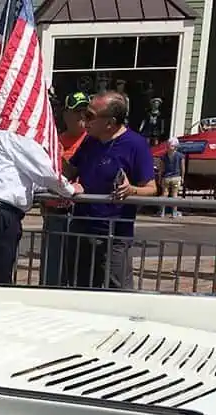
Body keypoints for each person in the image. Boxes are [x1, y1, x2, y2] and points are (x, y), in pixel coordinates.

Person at [62, 91, 158, 290]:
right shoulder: (90, 142)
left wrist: (131, 190)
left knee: (117, 289)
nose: (83, 120)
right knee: (80, 288)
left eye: (89, 116)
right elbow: (70, 171)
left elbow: (151, 189)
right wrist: (49, 151)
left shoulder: (136, 145)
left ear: (110, 122)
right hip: (82, 228)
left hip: (114, 234)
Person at [0, 129, 82, 286]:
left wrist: (50, 188)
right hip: (1, 213)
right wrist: (71, 190)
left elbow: (24, 177)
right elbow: (46, 173)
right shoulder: (18, 138)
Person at [39, 92, 90, 285]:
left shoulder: (90, 141)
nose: (81, 117)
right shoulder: (55, 141)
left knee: (78, 268)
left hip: (80, 213)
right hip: (55, 212)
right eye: (76, 112)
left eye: (85, 112)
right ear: (66, 114)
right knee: (52, 268)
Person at [159, 137, 184, 218]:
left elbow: (161, 169)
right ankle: (174, 213)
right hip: (176, 177)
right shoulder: (180, 156)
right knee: (175, 195)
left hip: (166, 177)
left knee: (164, 194)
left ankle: (162, 212)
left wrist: (160, 178)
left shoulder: (163, 156)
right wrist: (182, 177)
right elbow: (182, 168)